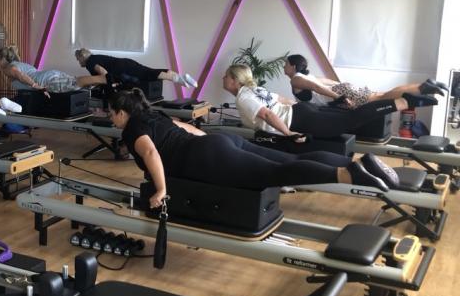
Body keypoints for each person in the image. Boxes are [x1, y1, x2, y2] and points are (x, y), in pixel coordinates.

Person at [109, 89, 396, 209]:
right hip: (215, 142)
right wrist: (211, 143)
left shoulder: (133, 127)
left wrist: (160, 190)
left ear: (123, 112)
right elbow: (190, 129)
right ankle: (358, 163)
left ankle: (352, 175)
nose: (111, 119)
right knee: (289, 159)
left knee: (278, 172)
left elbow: (149, 154)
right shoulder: (155, 116)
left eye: (112, 113)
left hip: (207, 156)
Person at [225, 64, 438, 139]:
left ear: (234, 80)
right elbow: (281, 100)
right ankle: (414, 93)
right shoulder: (254, 88)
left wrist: (289, 134)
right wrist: (299, 108)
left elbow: (267, 115)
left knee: (352, 119)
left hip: (299, 118)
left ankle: (404, 101)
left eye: (225, 77)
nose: (223, 80)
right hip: (304, 110)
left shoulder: (244, 97)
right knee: (362, 108)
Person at [284, 54, 447, 109]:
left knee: (384, 97)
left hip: (341, 94)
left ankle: (424, 88)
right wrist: (343, 88)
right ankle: (423, 86)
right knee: (384, 94)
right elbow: (325, 81)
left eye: (286, 64)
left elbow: (316, 87)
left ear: (292, 66)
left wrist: (337, 97)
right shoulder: (307, 76)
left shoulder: (296, 80)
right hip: (343, 88)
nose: (284, 67)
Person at [0, 45, 106, 93]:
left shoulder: (8, 68)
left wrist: (36, 86)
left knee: (75, 83)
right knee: (76, 84)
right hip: (49, 75)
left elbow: (20, 75)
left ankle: (104, 78)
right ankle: (102, 81)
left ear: (2, 59)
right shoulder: (19, 63)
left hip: (45, 81)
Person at [74, 47, 197, 88]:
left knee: (147, 74)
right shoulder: (96, 57)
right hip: (127, 63)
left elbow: (104, 74)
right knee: (149, 72)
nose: (78, 62)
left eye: (78, 59)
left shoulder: (90, 62)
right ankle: (180, 78)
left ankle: (177, 78)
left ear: (82, 57)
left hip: (123, 68)